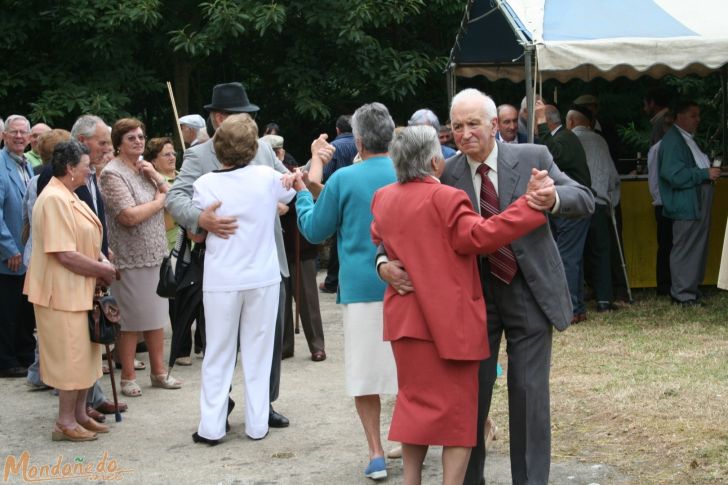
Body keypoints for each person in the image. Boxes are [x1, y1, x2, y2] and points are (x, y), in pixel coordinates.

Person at [378, 89, 594, 485]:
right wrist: (382, 264)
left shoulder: (533, 157)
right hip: (469, 303)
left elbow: (584, 197)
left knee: (529, 396)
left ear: (495, 125)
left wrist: (551, 198)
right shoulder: (444, 170)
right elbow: (396, 227)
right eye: (457, 126)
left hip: (528, 291)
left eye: (473, 124)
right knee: (471, 400)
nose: (464, 133)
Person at [370, 125, 549, 485]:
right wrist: (528, 206)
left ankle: (412, 481)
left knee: (414, 408)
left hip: (406, 320)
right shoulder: (446, 198)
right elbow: (480, 237)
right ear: (436, 161)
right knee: (458, 418)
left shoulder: (383, 197)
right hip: (450, 324)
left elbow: (381, 237)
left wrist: (383, 264)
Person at [166, 81, 291, 429]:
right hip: (220, 264)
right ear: (219, 118)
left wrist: (278, 202)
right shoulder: (198, 155)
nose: (249, 121)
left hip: (266, 258)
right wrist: (200, 218)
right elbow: (174, 199)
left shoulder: (262, 149)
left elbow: (285, 183)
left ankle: (263, 406)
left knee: (267, 339)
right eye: (242, 115)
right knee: (221, 343)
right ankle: (222, 409)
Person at [293, 102, 399, 481]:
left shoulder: (345, 178)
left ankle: (376, 451)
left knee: (365, 374)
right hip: (408, 284)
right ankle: (410, 437)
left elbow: (314, 229)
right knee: (410, 369)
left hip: (361, 285)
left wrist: (303, 193)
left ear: (357, 139)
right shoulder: (410, 172)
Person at [191, 114, 295, 445]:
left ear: (218, 149)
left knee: (217, 352)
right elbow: (290, 192)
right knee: (259, 351)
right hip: (262, 276)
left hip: (222, 277)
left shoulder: (204, 184)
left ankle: (211, 426)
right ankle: (257, 424)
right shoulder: (268, 177)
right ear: (253, 148)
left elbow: (196, 231)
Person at [23, 140, 117, 441]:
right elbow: (63, 253)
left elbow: (85, 241)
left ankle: (79, 414)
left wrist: (102, 260)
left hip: (80, 291)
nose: (90, 171)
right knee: (69, 359)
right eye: (85, 167)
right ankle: (64, 422)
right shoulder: (53, 198)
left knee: (85, 357)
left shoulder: (69, 195)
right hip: (60, 294)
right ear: (69, 169)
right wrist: (102, 269)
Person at [99, 118, 181, 397]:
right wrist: (159, 202)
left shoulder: (143, 168)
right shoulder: (112, 174)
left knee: (156, 316)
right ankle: (128, 377)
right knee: (131, 319)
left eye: (141, 136)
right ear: (118, 143)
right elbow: (129, 216)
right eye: (131, 137)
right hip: (130, 255)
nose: (138, 141)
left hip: (156, 251)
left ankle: (158, 372)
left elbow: (171, 192)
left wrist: (154, 175)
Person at [658, 99, 721, 306]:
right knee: (686, 248)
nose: (698, 120)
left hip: (694, 201)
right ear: (680, 117)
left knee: (695, 248)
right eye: (693, 115)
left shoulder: (685, 139)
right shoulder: (673, 141)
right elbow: (673, 175)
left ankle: (690, 290)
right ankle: (682, 294)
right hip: (686, 204)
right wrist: (704, 173)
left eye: (698, 115)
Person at [536, 101, 592, 323]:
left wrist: (540, 126)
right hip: (573, 205)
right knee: (572, 257)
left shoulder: (564, 138)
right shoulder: (567, 137)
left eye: (540, 121)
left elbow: (553, 154)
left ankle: (569, 309)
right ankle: (576, 307)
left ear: (548, 121)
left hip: (572, 207)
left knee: (566, 257)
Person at [566, 106, 621, 312]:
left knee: (574, 253)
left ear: (570, 122)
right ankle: (604, 300)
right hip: (598, 202)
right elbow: (613, 176)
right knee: (601, 252)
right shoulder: (601, 141)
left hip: (574, 203)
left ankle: (575, 301)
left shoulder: (567, 139)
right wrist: (612, 201)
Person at [0, 115, 36, 378]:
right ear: (4, 135)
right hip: (8, 254)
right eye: (14, 132)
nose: (20, 136)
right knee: (7, 310)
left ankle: (24, 353)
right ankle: (5, 359)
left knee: (24, 308)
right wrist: (9, 248)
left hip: (25, 253)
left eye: (24, 132)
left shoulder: (27, 165)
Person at [319, 114, 357, 294]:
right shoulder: (361, 144)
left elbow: (324, 175)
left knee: (337, 239)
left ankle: (332, 281)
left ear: (337, 130)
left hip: (338, 196)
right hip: (360, 197)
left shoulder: (333, 147)